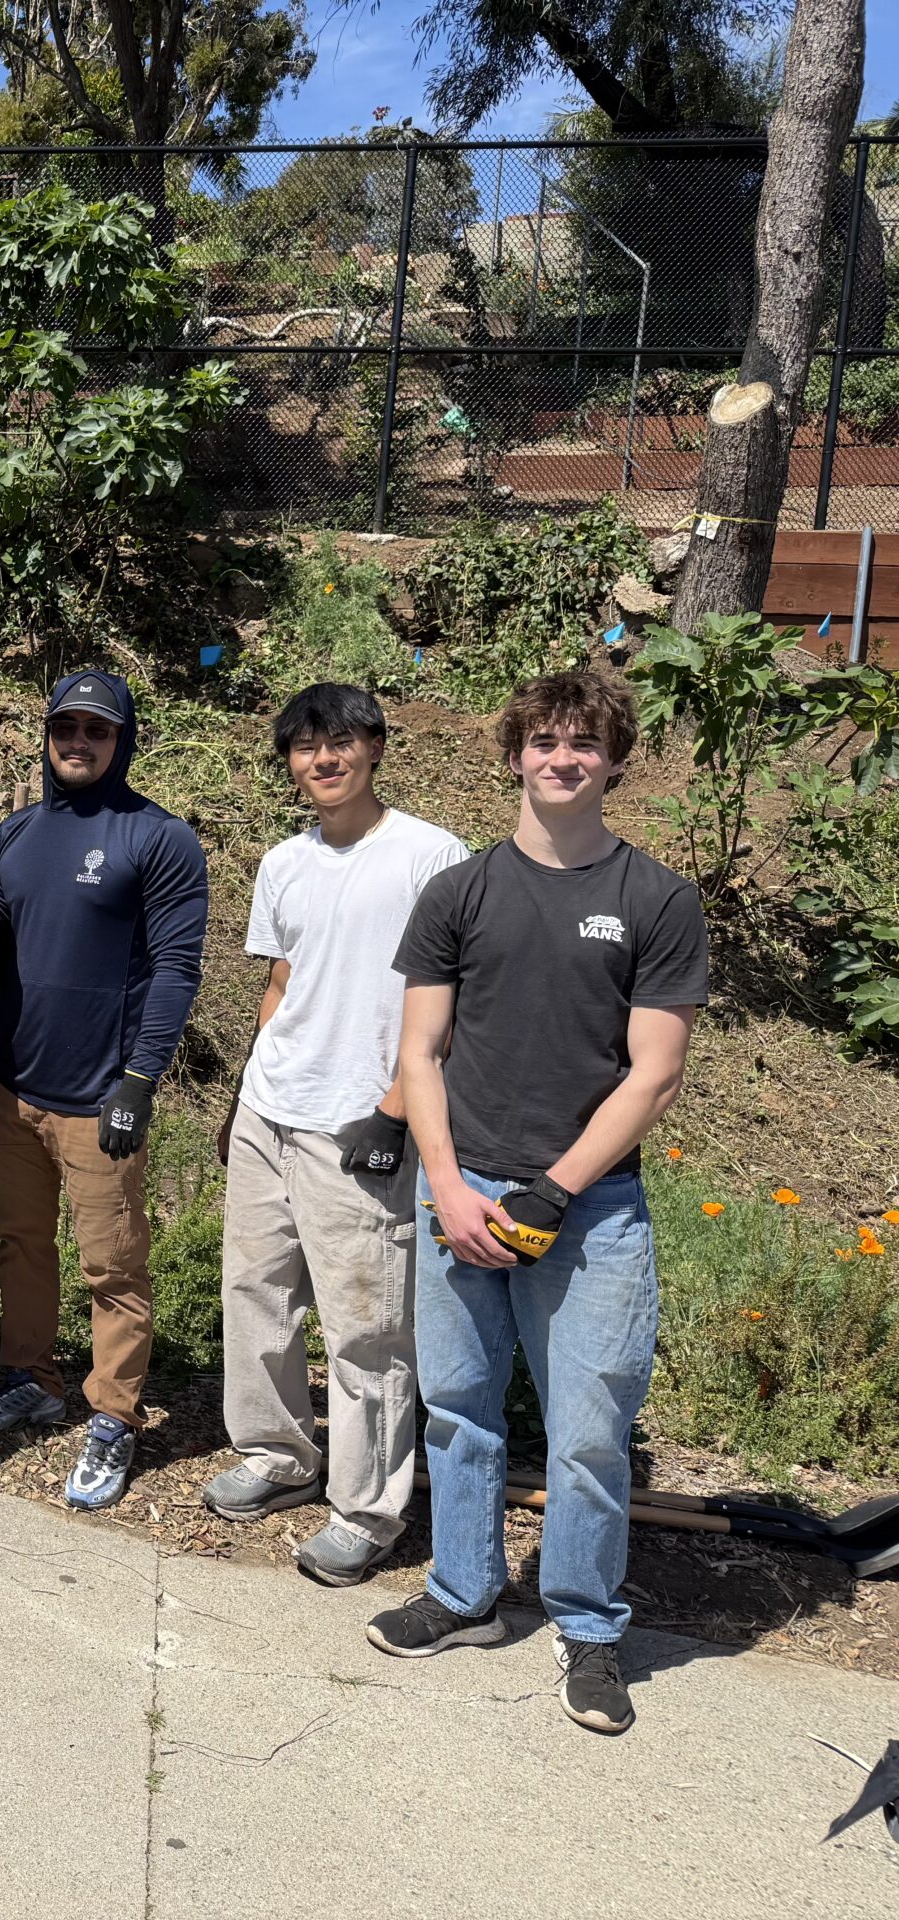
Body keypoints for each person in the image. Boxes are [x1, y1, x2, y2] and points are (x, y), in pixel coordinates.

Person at [367, 670, 705, 1740]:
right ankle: (464, 1593)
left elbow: (654, 1072)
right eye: (545, 741)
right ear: (515, 754)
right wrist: (447, 1184)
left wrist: (556, 1190)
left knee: (590, 1433)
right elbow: (420, 1050)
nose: (563, 759)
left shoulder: (656, 899)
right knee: (459, 1409)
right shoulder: (460, 892)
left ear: (614, 761)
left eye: (584, 744)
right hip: (459, 1189)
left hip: (591, 1210)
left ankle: (588, 1626)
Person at [201, 685, 466, 1586]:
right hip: (272, 1109)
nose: (324, 759)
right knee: (256, 1294)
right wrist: (244, 1095)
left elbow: (450, 1000)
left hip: (359, 1120)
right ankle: (278, 1454)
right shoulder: (285, 861)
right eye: (306, 747)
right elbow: (282, 982)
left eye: (342, 742)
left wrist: (396, 1109)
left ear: (376, 747)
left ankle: (367, 1509)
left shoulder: (430, 855)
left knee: (366, 1326)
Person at [0, 669, 208, 1512]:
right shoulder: (17, 836)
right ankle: (32, 1378)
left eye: (98, 730)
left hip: (101, 1098)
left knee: (113, 1266)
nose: (79, 743)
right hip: (12, 1085)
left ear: (122, 740)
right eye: (66, 728)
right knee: (20, 1244)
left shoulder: (158, 838)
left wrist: (140, 1079)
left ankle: (114, 1416)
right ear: (48, 735)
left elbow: (176, 970)